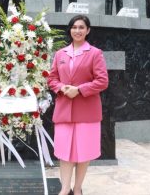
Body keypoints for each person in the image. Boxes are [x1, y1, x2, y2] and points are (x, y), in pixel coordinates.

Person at [47, 15, 109, 195]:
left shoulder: (95, 53)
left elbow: (102, 81)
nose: (78, 30)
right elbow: (52, 78)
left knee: (83, 152)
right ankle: (65, 189)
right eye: (74, 27)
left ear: (88, 30)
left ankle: (78, 188)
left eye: (82, 27)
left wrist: (79, 90)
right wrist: (61, 87)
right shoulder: (60, 54)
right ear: (70, 30)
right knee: (64, 152)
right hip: (64, 111)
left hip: (87, 113)